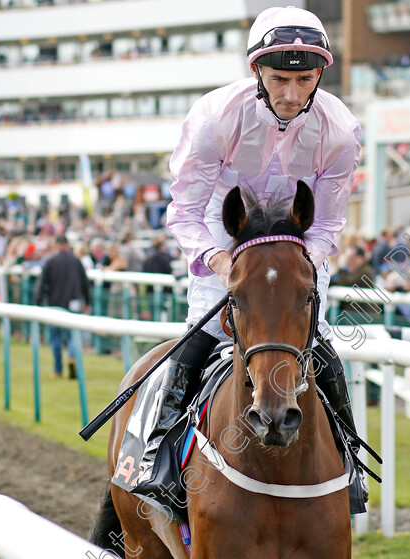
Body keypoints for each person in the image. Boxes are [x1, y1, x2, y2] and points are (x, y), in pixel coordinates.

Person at [161, 6, 365, 509]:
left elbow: (330, 223)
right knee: (202, 334)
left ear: (319, 74)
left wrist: (303, 263)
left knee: (316, 345)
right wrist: (218, 261)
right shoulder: (214, 117)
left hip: (295, 238)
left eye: (304, 79)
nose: (292, 95)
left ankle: (349, 462)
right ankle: (155, 458)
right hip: (223, 228)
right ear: (257, 71)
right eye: (279, 79)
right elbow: (184, 209)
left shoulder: (340, 129)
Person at [34, 235, 91, 378]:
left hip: (55, 304)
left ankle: (58, 370)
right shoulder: (76, 261)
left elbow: (41, 286)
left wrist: (38, 304)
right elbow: (85, 283)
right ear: (67, 244)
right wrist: (88, 302)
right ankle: (71, 357)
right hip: (74, 303)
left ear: (57, 245)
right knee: (73, 336)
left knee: (56, 339)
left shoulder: (50, 261)